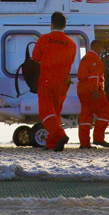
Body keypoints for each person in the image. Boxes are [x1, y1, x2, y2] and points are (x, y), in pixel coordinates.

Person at [30, 11, 77, 151]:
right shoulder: (72, 43)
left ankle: (59, 134)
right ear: (64, 25)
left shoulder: (44, 39)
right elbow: (71, 61)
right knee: (55, 112)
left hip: (47, 79)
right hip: (64, 82)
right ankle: (52, 143)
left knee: (45, 111)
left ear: (52, 24)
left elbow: (35, 57)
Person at [77, 39, 109, 148]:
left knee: (86, 115)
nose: (102, 50)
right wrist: (95, 90)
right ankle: (98, 138)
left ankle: (84, 143)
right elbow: (94, 75)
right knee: (105, 111)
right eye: (101, 48)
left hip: (81, 89)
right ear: (98, 48)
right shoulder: (94, 59)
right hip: (91, 89)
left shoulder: (84, 58)